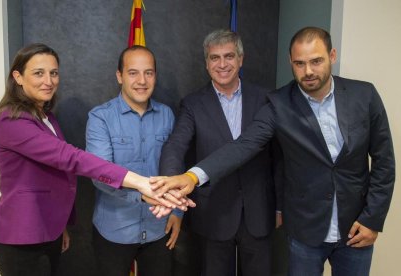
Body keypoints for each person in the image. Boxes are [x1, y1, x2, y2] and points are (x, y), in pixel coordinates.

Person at [151, 26, 395, 276]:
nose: (308, 71)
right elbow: (243, 145)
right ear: (291, 62)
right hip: (303, 230)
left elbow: (384, 162)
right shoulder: (280, 103)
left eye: (316, 61)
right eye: (300, 63)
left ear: (332, 56)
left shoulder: (364, 95)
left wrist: (372, 219)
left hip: (356, 227)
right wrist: (191, 177)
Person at [0, 43, 186, 276]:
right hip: (22, 236)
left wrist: (58, 225)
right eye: (38, 73)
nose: (49, 81)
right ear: (18, 77)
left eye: (54, 73)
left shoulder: (45, 116)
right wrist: (140, 183)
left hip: (48, 228)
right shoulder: (11, 120)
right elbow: (69, 157)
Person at [159, 29, 283, 276]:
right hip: (213, 214)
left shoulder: (267, 99)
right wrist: (171, 184)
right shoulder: (193, 103)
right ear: (206, 64)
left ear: (241, 59)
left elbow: (278, 158)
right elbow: (176, 145)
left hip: (259, 213)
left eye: (229, 56)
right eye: (215, 58)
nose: (222, 64)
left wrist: (280, 206)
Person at [86, 45, 183, 276]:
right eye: (133, 73)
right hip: (114, 230)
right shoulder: (100, 117)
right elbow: (99, 175)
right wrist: (140, 194)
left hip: (158, 228)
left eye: (148, 72)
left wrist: (178, 213)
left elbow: (176, 167)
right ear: (119, 76)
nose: (142, 80)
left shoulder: (167, 115)